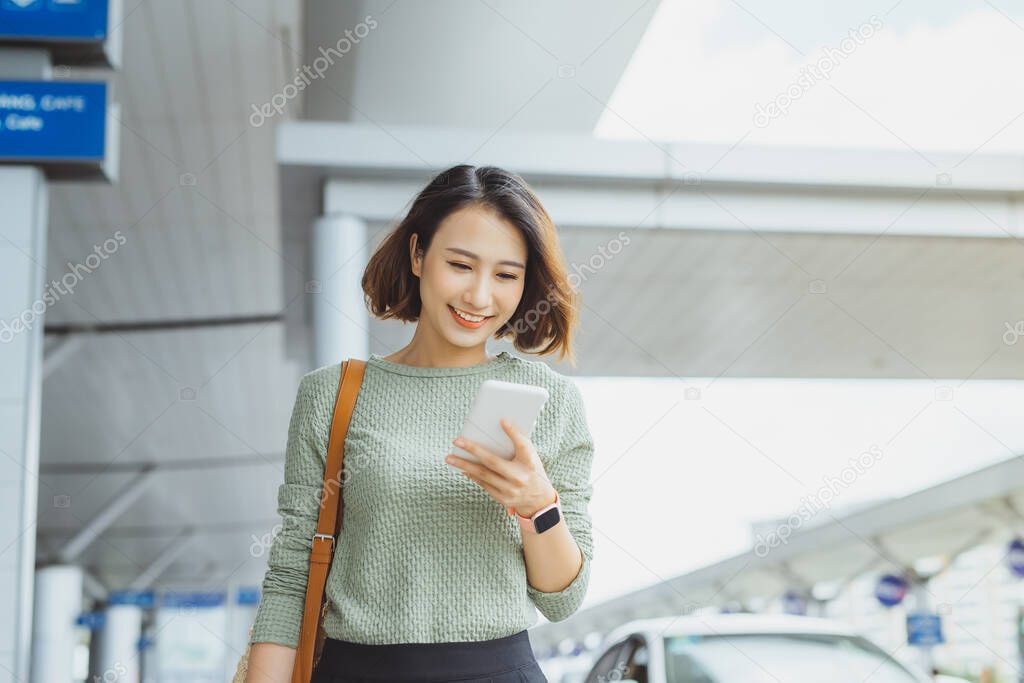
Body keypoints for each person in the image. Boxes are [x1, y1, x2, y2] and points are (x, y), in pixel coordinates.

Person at [244, 164, 596, 683]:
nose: (479, 296)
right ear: (417, 255)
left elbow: (563, 597)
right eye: (460, 264)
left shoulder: (552, 400)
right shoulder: (334, 395)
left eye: (505, 275)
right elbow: (292, 574)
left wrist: (538, 508)